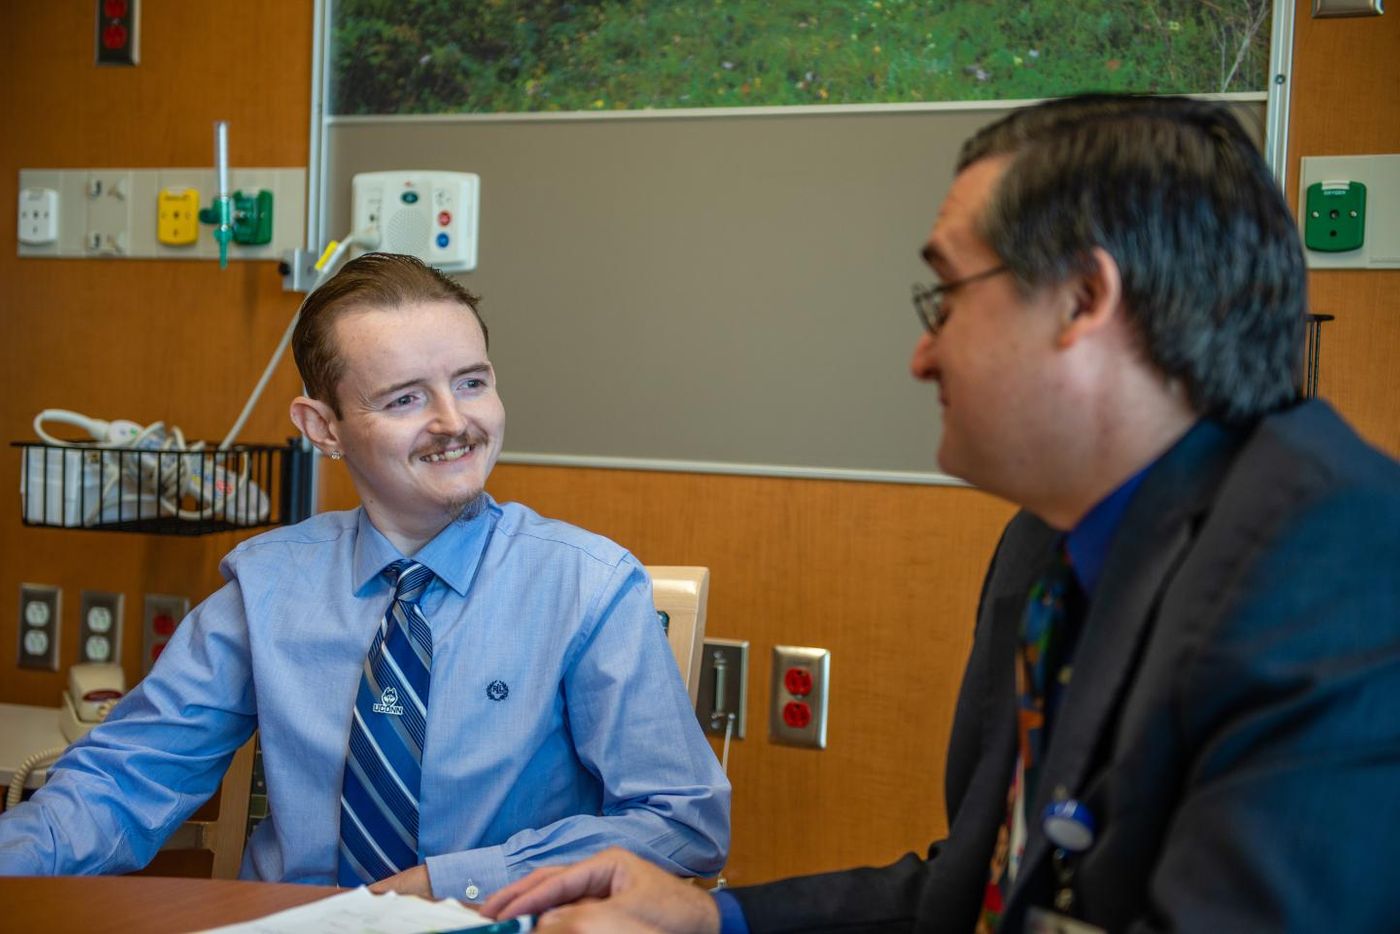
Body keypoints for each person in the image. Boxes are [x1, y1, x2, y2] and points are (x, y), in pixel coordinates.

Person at [480, 94, 1400, 931]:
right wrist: (712, 922)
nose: (922, 357)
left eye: (946, 297)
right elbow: (980, 895)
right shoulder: (1047, 545)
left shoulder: (1342, 566)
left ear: (1084, 299)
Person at [0, 252, 730, 902]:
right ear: (322, 427)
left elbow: (681, 822)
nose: (455, 422)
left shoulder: (587, 589)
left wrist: (459, 884)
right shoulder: (266, 589)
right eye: (406, 398)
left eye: (471, 383)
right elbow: (121, 784)